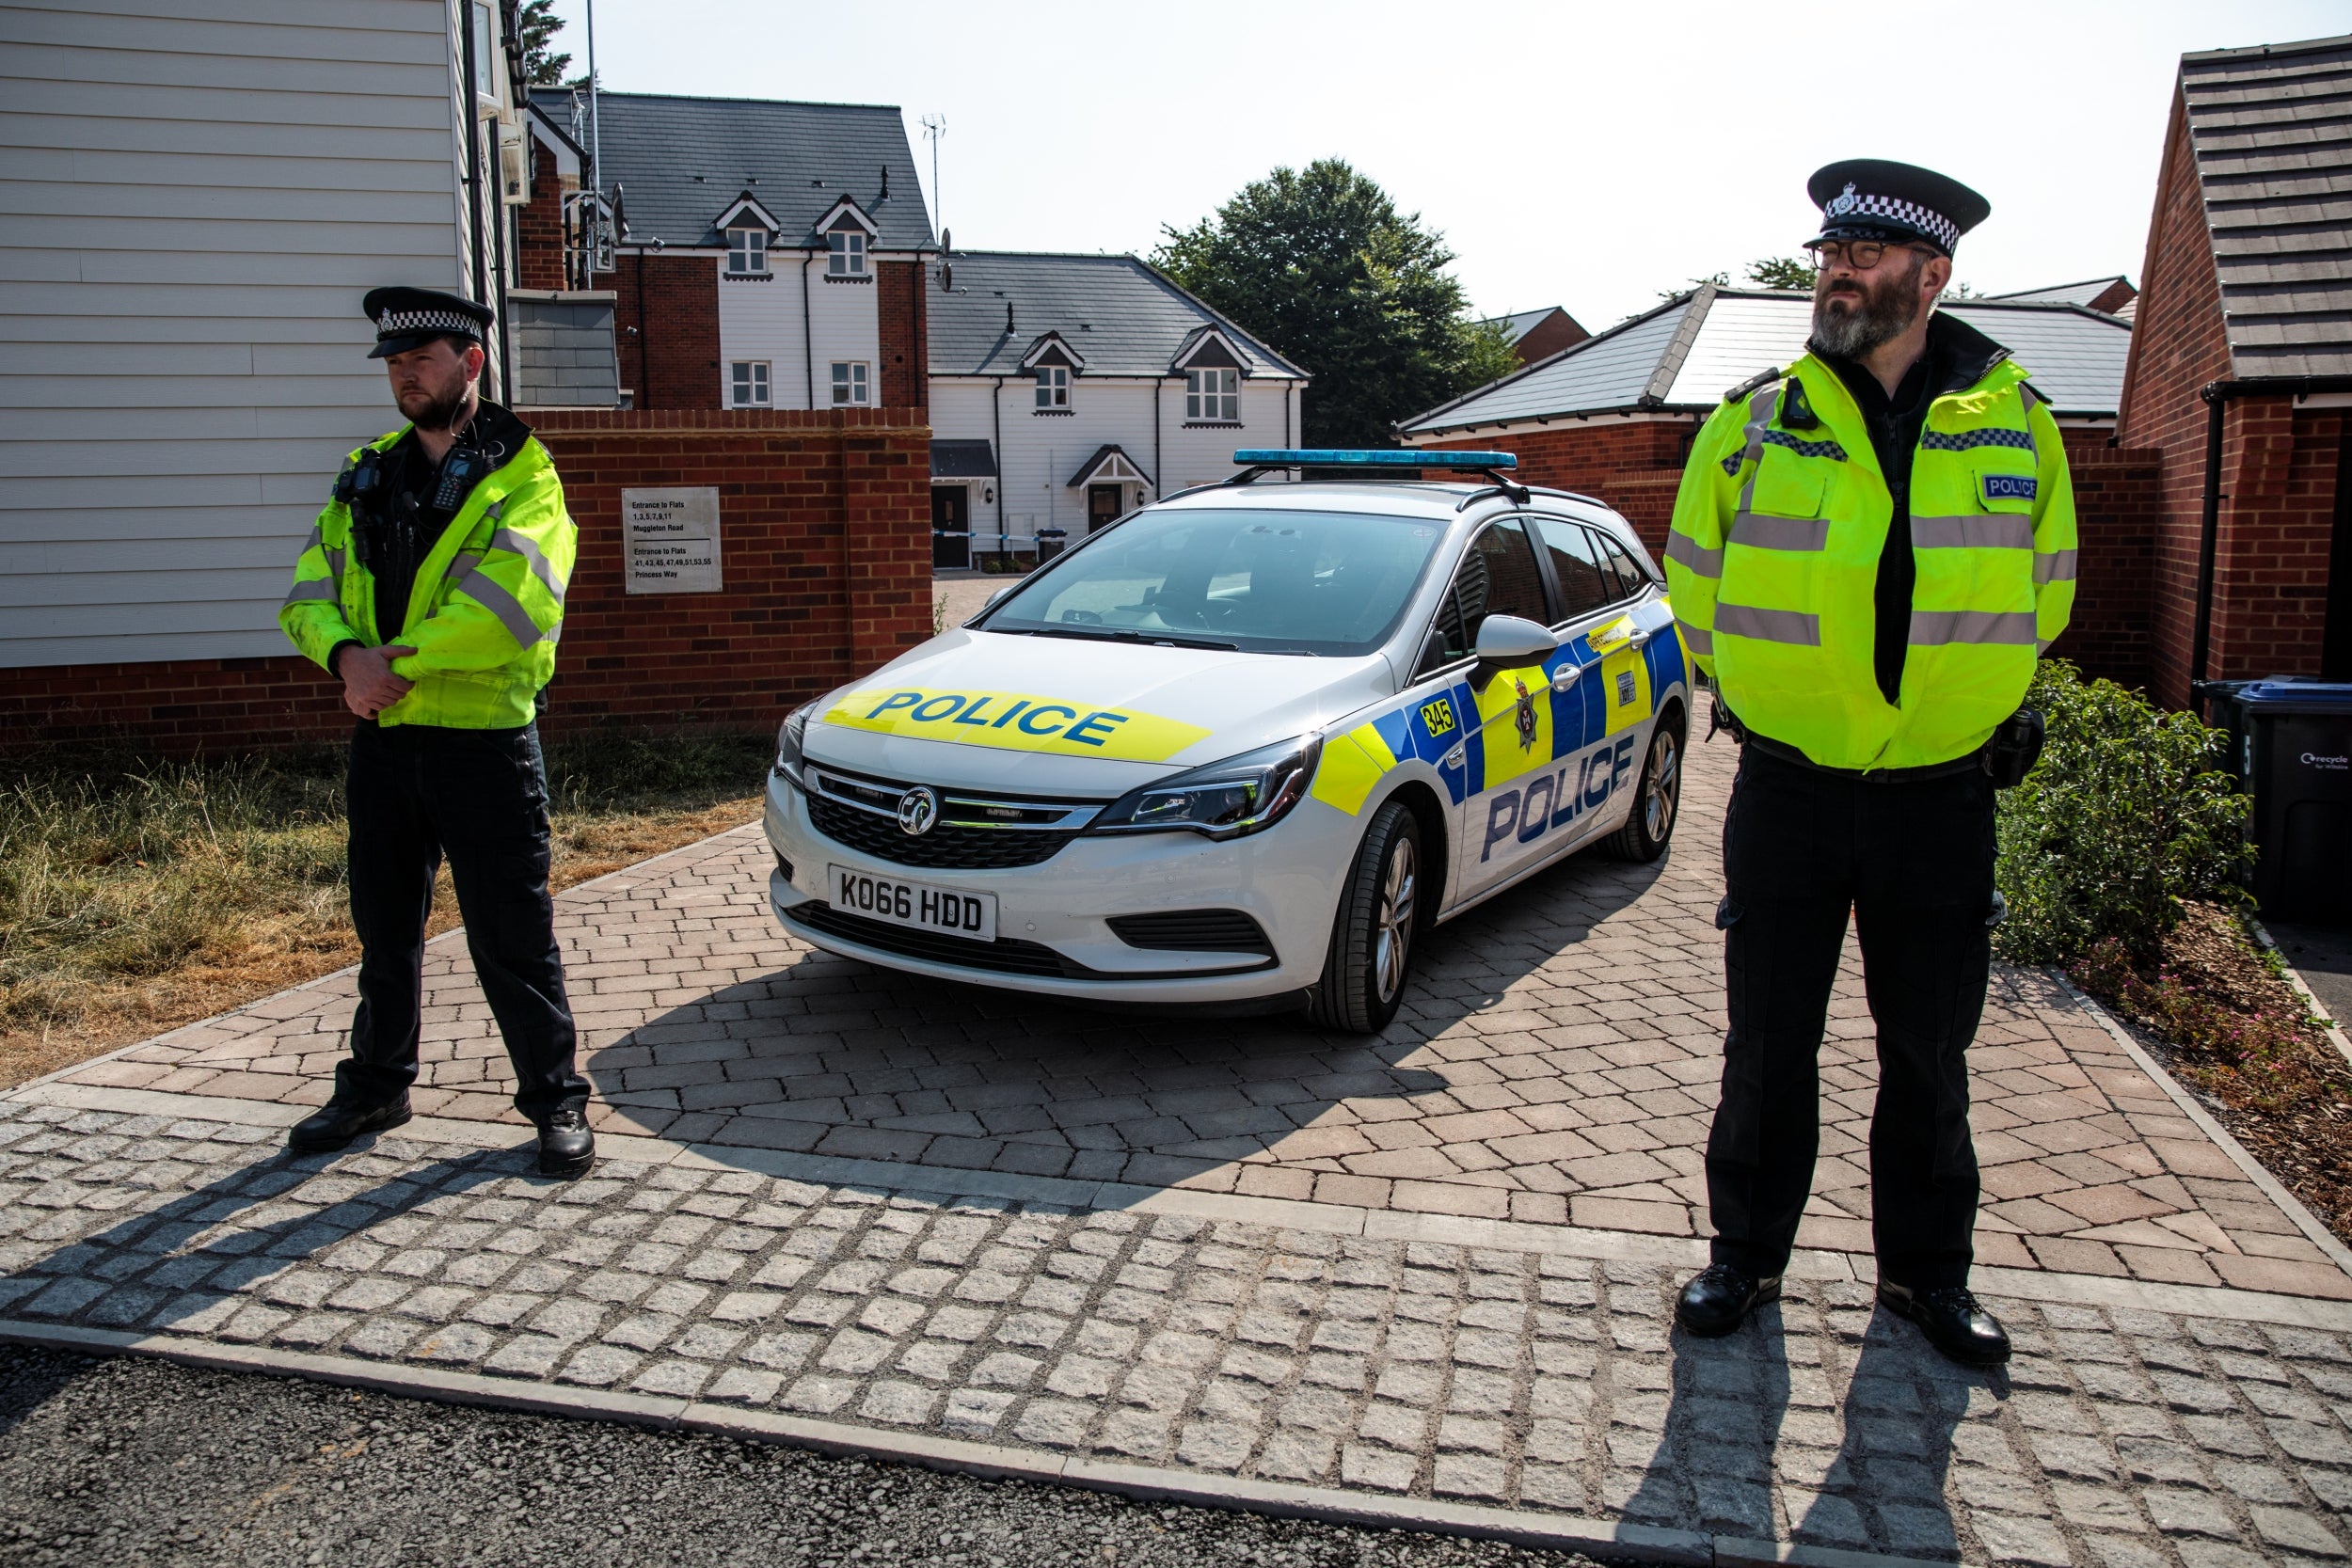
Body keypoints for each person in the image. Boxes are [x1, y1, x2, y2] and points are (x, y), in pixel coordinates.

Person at [1661, 161, 2077, 1364]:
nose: (1836, 274)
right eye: (1827, 255)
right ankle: (1744, 1255)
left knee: (1927, 1051)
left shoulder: (2019, 423)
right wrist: (1763, 700)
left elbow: (2044, 592)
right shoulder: (1751, 421)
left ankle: (1925, 1280)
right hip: (1791, 786)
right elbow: (1696, 583)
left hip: (1939, 795)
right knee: (1766, 1041)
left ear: (1931, 275)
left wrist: (1981, 703)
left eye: (1866, 257)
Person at [278, 286, 594, 1177]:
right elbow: (308, 591)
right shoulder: (366, 472)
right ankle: (377, 1080)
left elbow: (512, 607)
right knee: (384, 926)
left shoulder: (523, 474)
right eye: (394, 363)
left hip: (480, 743)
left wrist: (389, 665)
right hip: (384, 740)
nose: (405, 376)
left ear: (473, 364)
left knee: (511, 933)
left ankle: (556, 1099)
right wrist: (345, 657)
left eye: (422, 360)